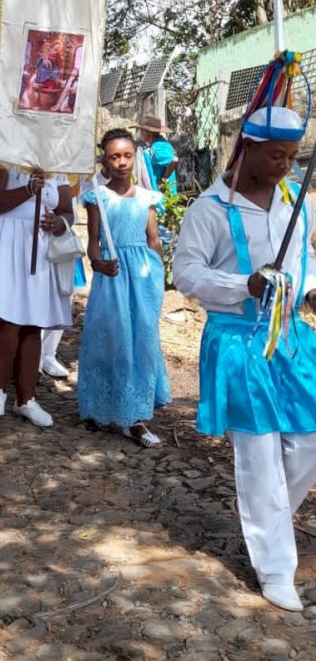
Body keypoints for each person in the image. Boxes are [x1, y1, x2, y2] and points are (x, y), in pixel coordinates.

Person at [173, 105, 316, 613]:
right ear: (247, 147)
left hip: (292, 337)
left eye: (292, 156)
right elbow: (186, 272)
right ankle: (277, 567)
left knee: (308, 442)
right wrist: (244, 284)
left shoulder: (294, 200)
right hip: (238, 338)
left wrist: (310, 290)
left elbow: (305, 259)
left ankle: (261, 510)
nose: (284, 165)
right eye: (275, 155)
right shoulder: (210, 209)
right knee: (258, 453)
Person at [76, 128, 170, 447]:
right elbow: (91, 244)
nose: (122, 162)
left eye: (127, 155)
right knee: (111, 340)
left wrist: (159, 281)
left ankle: (135, 416)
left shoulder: (147, 198)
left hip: (142, 278)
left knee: (141, 341)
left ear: (135, 157)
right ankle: (101, 406)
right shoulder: (97, 198)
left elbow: (154, 241)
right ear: (105, 158)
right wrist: (99, 264)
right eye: (114, 156)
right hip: (112, 278)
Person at [0, 164, 73, 427]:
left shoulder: (56, 165)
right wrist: (28, 189)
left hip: (38, 245)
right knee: (5, 316)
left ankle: (26, 399)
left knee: (33, 321)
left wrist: (60, 223)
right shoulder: (4, 158)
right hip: (4, 240)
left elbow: (67, 210)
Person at [133, 114, 178, 194]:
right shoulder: (157, 144)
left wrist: (163, 180)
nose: (141, 133)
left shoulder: (158, 147)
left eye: (142, 131)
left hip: (164, 198)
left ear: (148, 133)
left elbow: (174, 160)